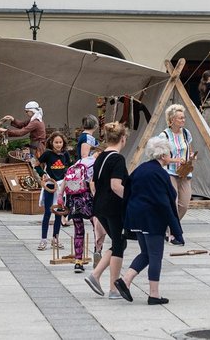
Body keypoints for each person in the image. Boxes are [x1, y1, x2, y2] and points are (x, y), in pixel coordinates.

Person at [115, 136, 184, 305]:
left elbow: (128, 191)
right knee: (155, 256)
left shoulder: (140, 169)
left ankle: (125, 280)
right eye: (168, 153)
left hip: (136, 217)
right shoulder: (160, 173)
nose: (170, 155)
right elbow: (164, 202)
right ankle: (154, 294)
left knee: (146, 253)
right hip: (152, 219)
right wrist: (175, 229)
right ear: (162, 156)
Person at [84, 122, 129, 299]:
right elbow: (116, 186)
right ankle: (113, 289)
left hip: (99, 206)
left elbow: (93, 183)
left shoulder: (101, 157)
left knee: (120, 242)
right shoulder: (118, 159)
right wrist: (131, 198)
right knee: (119, 244)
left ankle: (95, 275)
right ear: (123, 139)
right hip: (113, 207)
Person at [56, 152, 96, 273]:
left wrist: (60, 195)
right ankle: (97, 259)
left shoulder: (79, 162)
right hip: (87, 198)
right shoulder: (96, 164)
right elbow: (93, 183)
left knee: (78, 230)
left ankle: (78, 261)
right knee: (97, 228)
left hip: (73, 198)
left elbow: (66, 178)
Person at [36, 132, 72, 250]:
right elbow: (36, 165)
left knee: (58, 213)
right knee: (47, 212)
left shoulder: (65, 154)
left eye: (60, 142)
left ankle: (55, 238)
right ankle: (43, 240)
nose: (58, 145)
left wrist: (68, 175)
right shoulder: (47, 154)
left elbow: (70, 166)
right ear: (51, 142)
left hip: (61, 186)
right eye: (56, 142)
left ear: (63, 143)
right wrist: (43, 174)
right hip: (50, 185)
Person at [158, 103, 193, 219]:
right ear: (172, 120)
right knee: (173, 202)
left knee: (184, 205)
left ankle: (171, 225)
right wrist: (177, 160)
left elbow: (189, 150)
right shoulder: (164, 136)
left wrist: (192, 156)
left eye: (184, 117)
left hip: (185, 172)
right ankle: (171, 232)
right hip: (170, 173)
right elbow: (164, 159)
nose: (184, 120)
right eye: (181, 118)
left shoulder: (186, 133)